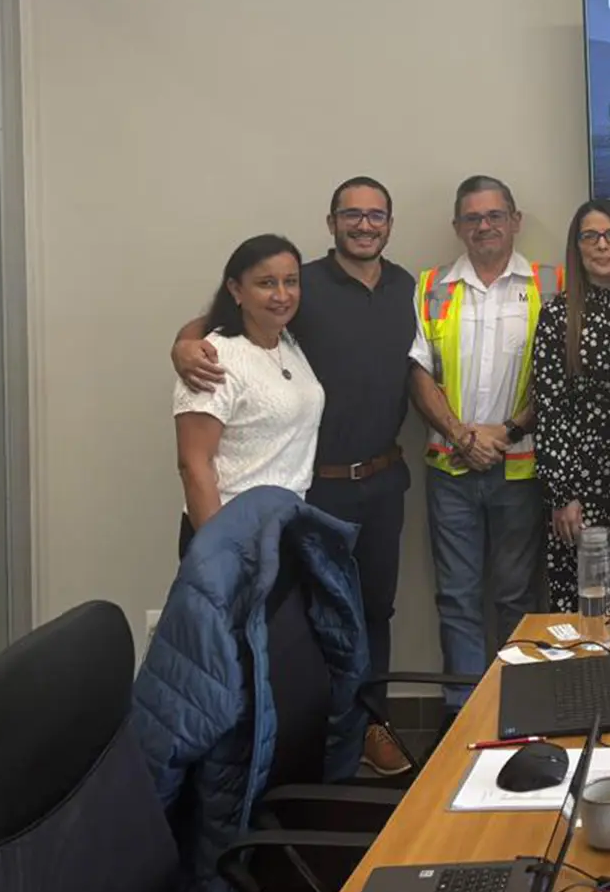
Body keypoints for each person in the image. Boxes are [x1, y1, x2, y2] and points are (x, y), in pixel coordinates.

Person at [172, 178, 420, 776]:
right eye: (352, 214)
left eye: (377, 215)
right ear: (332, 222)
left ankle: (369, 727)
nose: (364, 225)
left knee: (373, 612)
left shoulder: (408, 289)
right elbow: (216, 326)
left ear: (390, 223)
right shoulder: (299, 284)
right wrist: (182, 346)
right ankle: (286, 754)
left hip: (381, 481)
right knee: (300, 628)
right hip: (316, 493)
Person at [406, 176, 560, 696]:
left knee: (517, 598)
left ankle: (520, 708)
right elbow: (418, 372)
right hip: (451, 470)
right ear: (457, 227)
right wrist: (462, 436)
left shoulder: (550, 283)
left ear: (516, 221)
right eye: (472, 218)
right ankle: (463, 716)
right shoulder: (431, 287)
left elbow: (559, 377)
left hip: (521, 469)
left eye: (495, 215)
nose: (484, 226)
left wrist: (508, 431)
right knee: (457, 599)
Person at [531, 200, 610, 613]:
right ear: (576, 247)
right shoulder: (558, 315)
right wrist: (563, 495)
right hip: (581, 487)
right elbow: (550, 409)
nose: (602, 245)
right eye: (590, 236)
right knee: (586, 609)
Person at [172, 234, 324, 546]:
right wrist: (222, 549)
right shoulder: (213, 357)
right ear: (236, 289)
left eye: (290, 282)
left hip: (287, 527)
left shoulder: (287, 342)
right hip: (233, 533)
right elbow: (193, 464)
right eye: (266, 283)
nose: (281, 295)